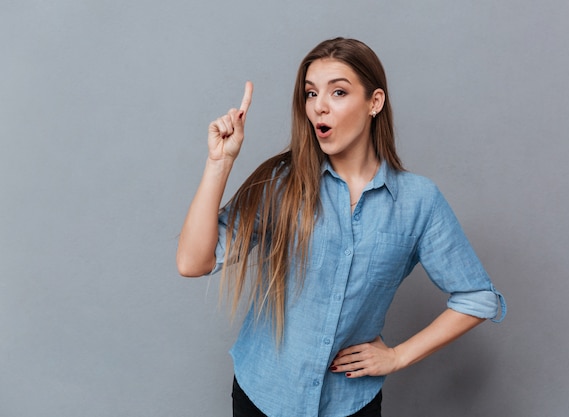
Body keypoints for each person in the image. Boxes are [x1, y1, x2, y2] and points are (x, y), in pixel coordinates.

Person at [176, 37, 506, 417]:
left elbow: (478, 297)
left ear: (374, 103)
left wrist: (397, 356)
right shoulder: (283, 183)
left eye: (338, 92)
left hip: (351, 404)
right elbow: (193, 262)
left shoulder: (418, 201)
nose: (319, 105)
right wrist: (219, 163)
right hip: (262, 395)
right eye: (311, 93)